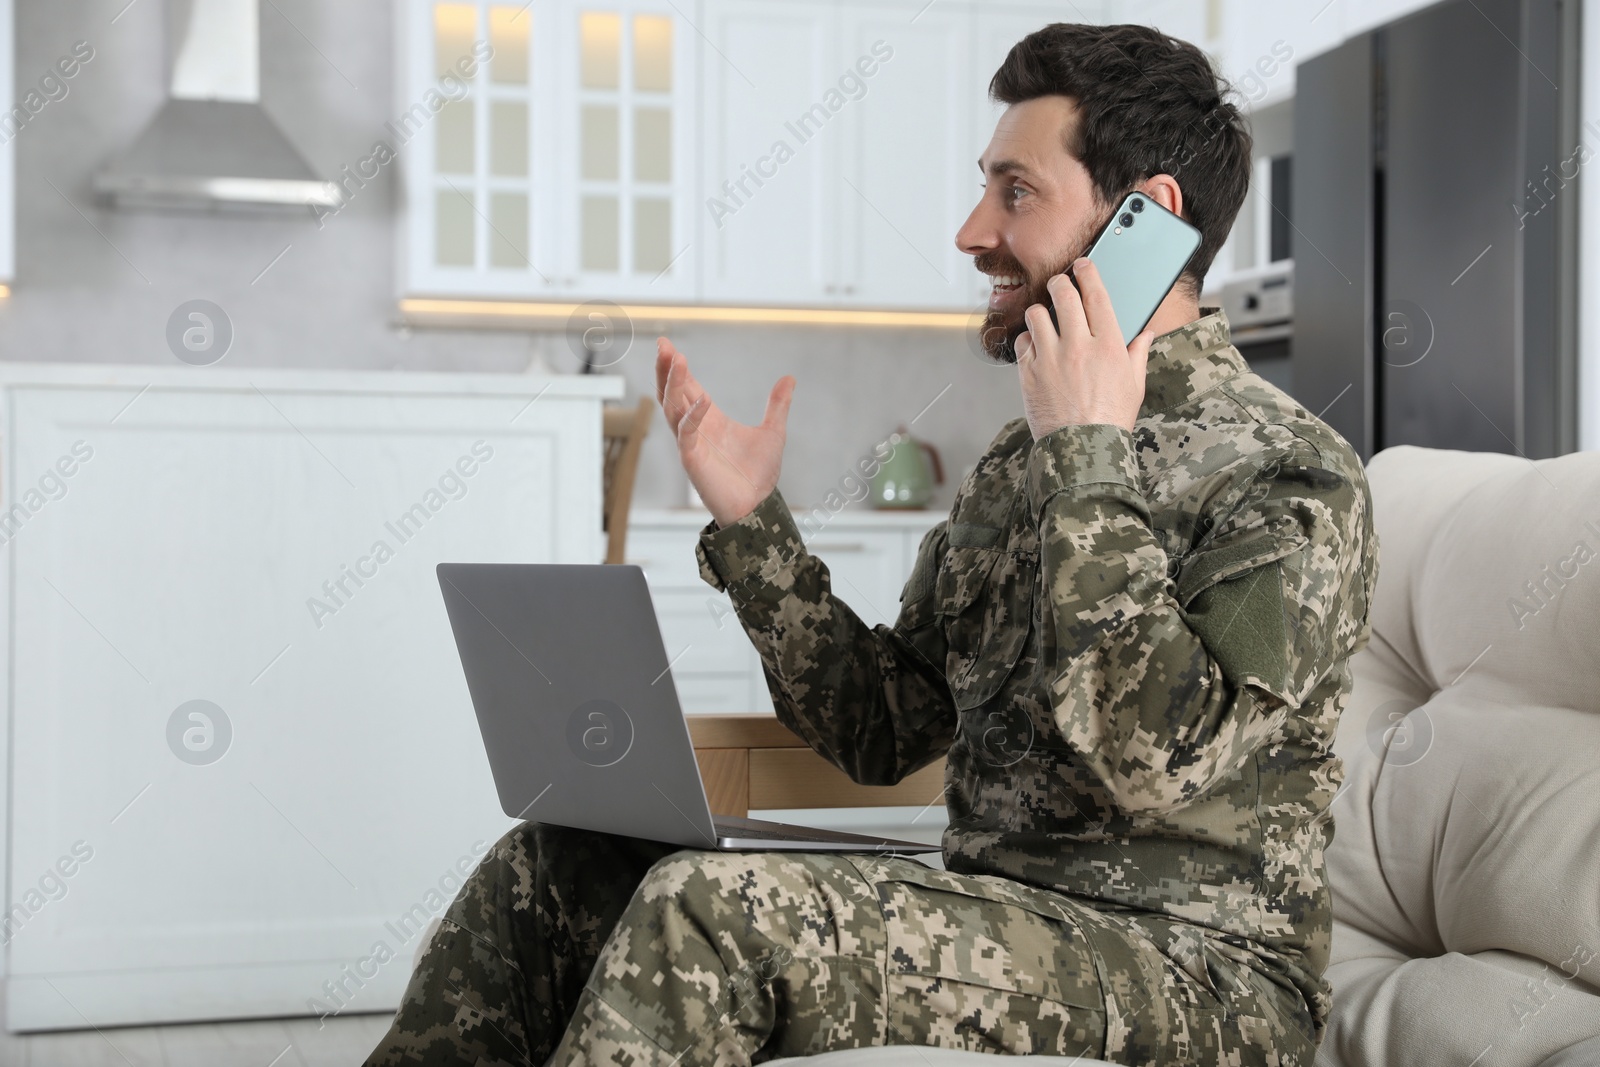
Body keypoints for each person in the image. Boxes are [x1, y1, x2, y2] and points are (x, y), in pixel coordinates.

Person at [366, 20, 1378, 1067]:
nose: (971, 230)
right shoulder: (1016, 463)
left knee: (712, 911)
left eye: (1014, 191)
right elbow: (881, 727)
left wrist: (1087, 455)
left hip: (1205, 973)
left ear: (1144, 218)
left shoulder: (1288, 472)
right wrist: (754, 523)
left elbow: (1157, 765)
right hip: (1004, 910)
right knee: (549, 864)